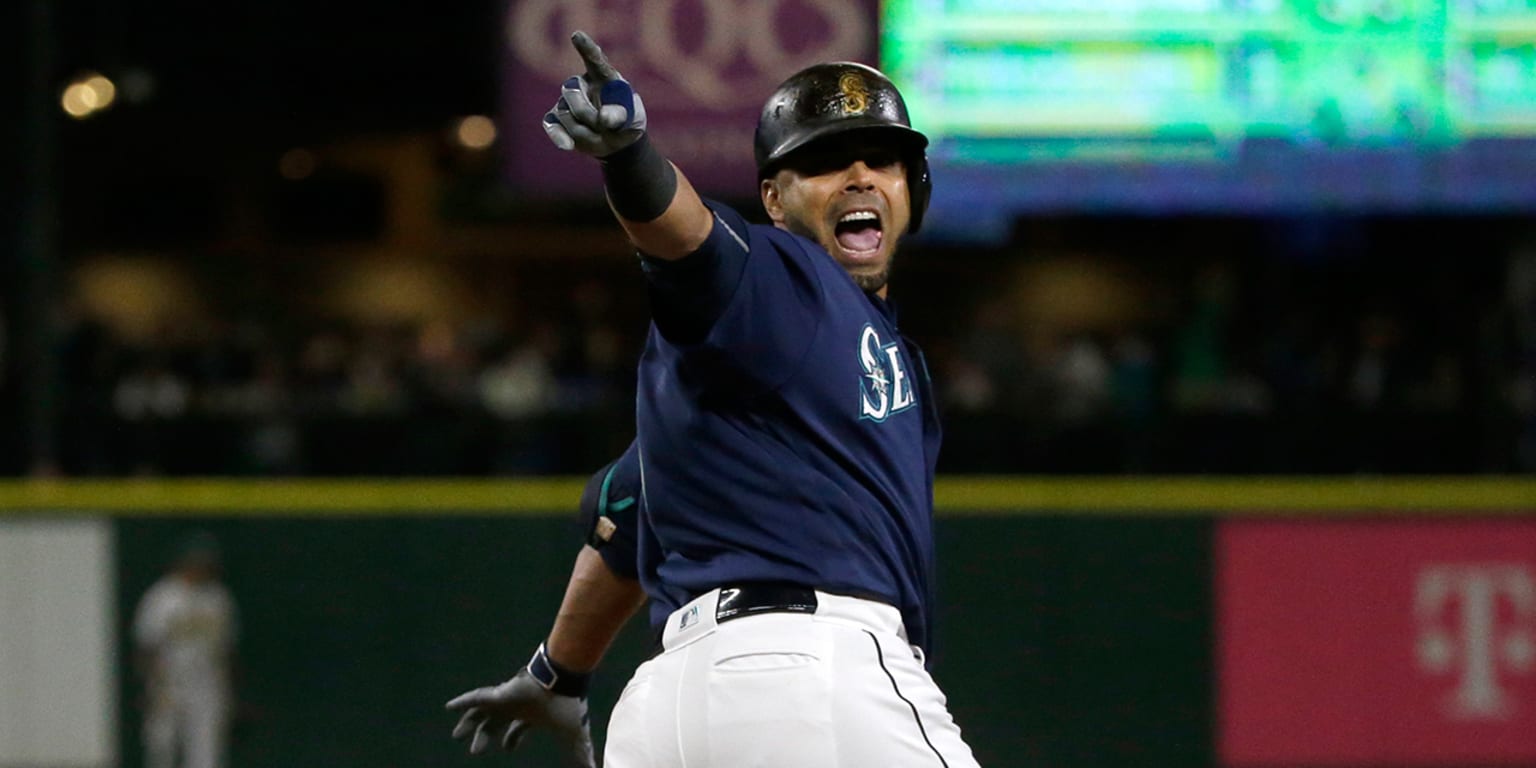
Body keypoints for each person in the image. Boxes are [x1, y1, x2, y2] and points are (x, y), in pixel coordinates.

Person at [447, 31, 980, 767]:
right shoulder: (777, 278)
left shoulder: (751, 377)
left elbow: (628, 518)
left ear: (911, 188)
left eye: (881, 159)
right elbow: (688, 240)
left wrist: (557, 673)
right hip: (813, 674)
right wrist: (629, 160)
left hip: (665, 710)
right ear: (774, 200)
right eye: (822, 162)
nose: (858, 175)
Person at [132, 532, 239, 768]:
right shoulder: (161, 597)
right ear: (182, 563)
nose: (201, 568)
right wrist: (151, 686)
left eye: (205, 563)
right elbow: (147, 646)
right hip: (168, 681)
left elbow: (226, 649)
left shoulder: (219, 598)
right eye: (196, 562)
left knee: (206, 752)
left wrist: (228, 690)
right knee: (162, 748)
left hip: (207, 683)